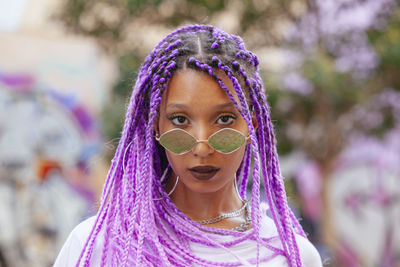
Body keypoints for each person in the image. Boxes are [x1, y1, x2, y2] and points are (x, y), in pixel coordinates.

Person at [54, 24, 322, 267]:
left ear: (251, 127)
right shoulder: (98, 247)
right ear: (156, 126)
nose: (202, 148)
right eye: (180, 119)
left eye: (224, 119)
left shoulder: (291, 256)